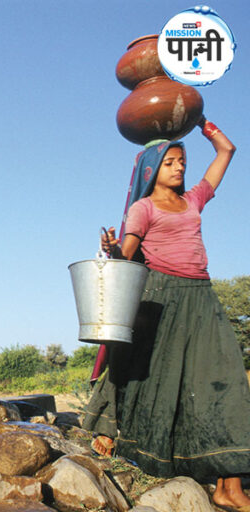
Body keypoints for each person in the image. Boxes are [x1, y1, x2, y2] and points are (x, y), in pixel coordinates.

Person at [82, 117, 250, 511]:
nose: (179, 168)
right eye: (171, 162)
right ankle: (210, 479)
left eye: (182, 162)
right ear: (151, 169)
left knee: (225, 382)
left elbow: (227, 151)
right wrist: (110, 248)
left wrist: (201, 122)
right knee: (154, 377)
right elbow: (126, 255)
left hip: (201, 296)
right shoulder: (143, 208)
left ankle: (230, 487)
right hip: (161, 298)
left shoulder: (192, 200)